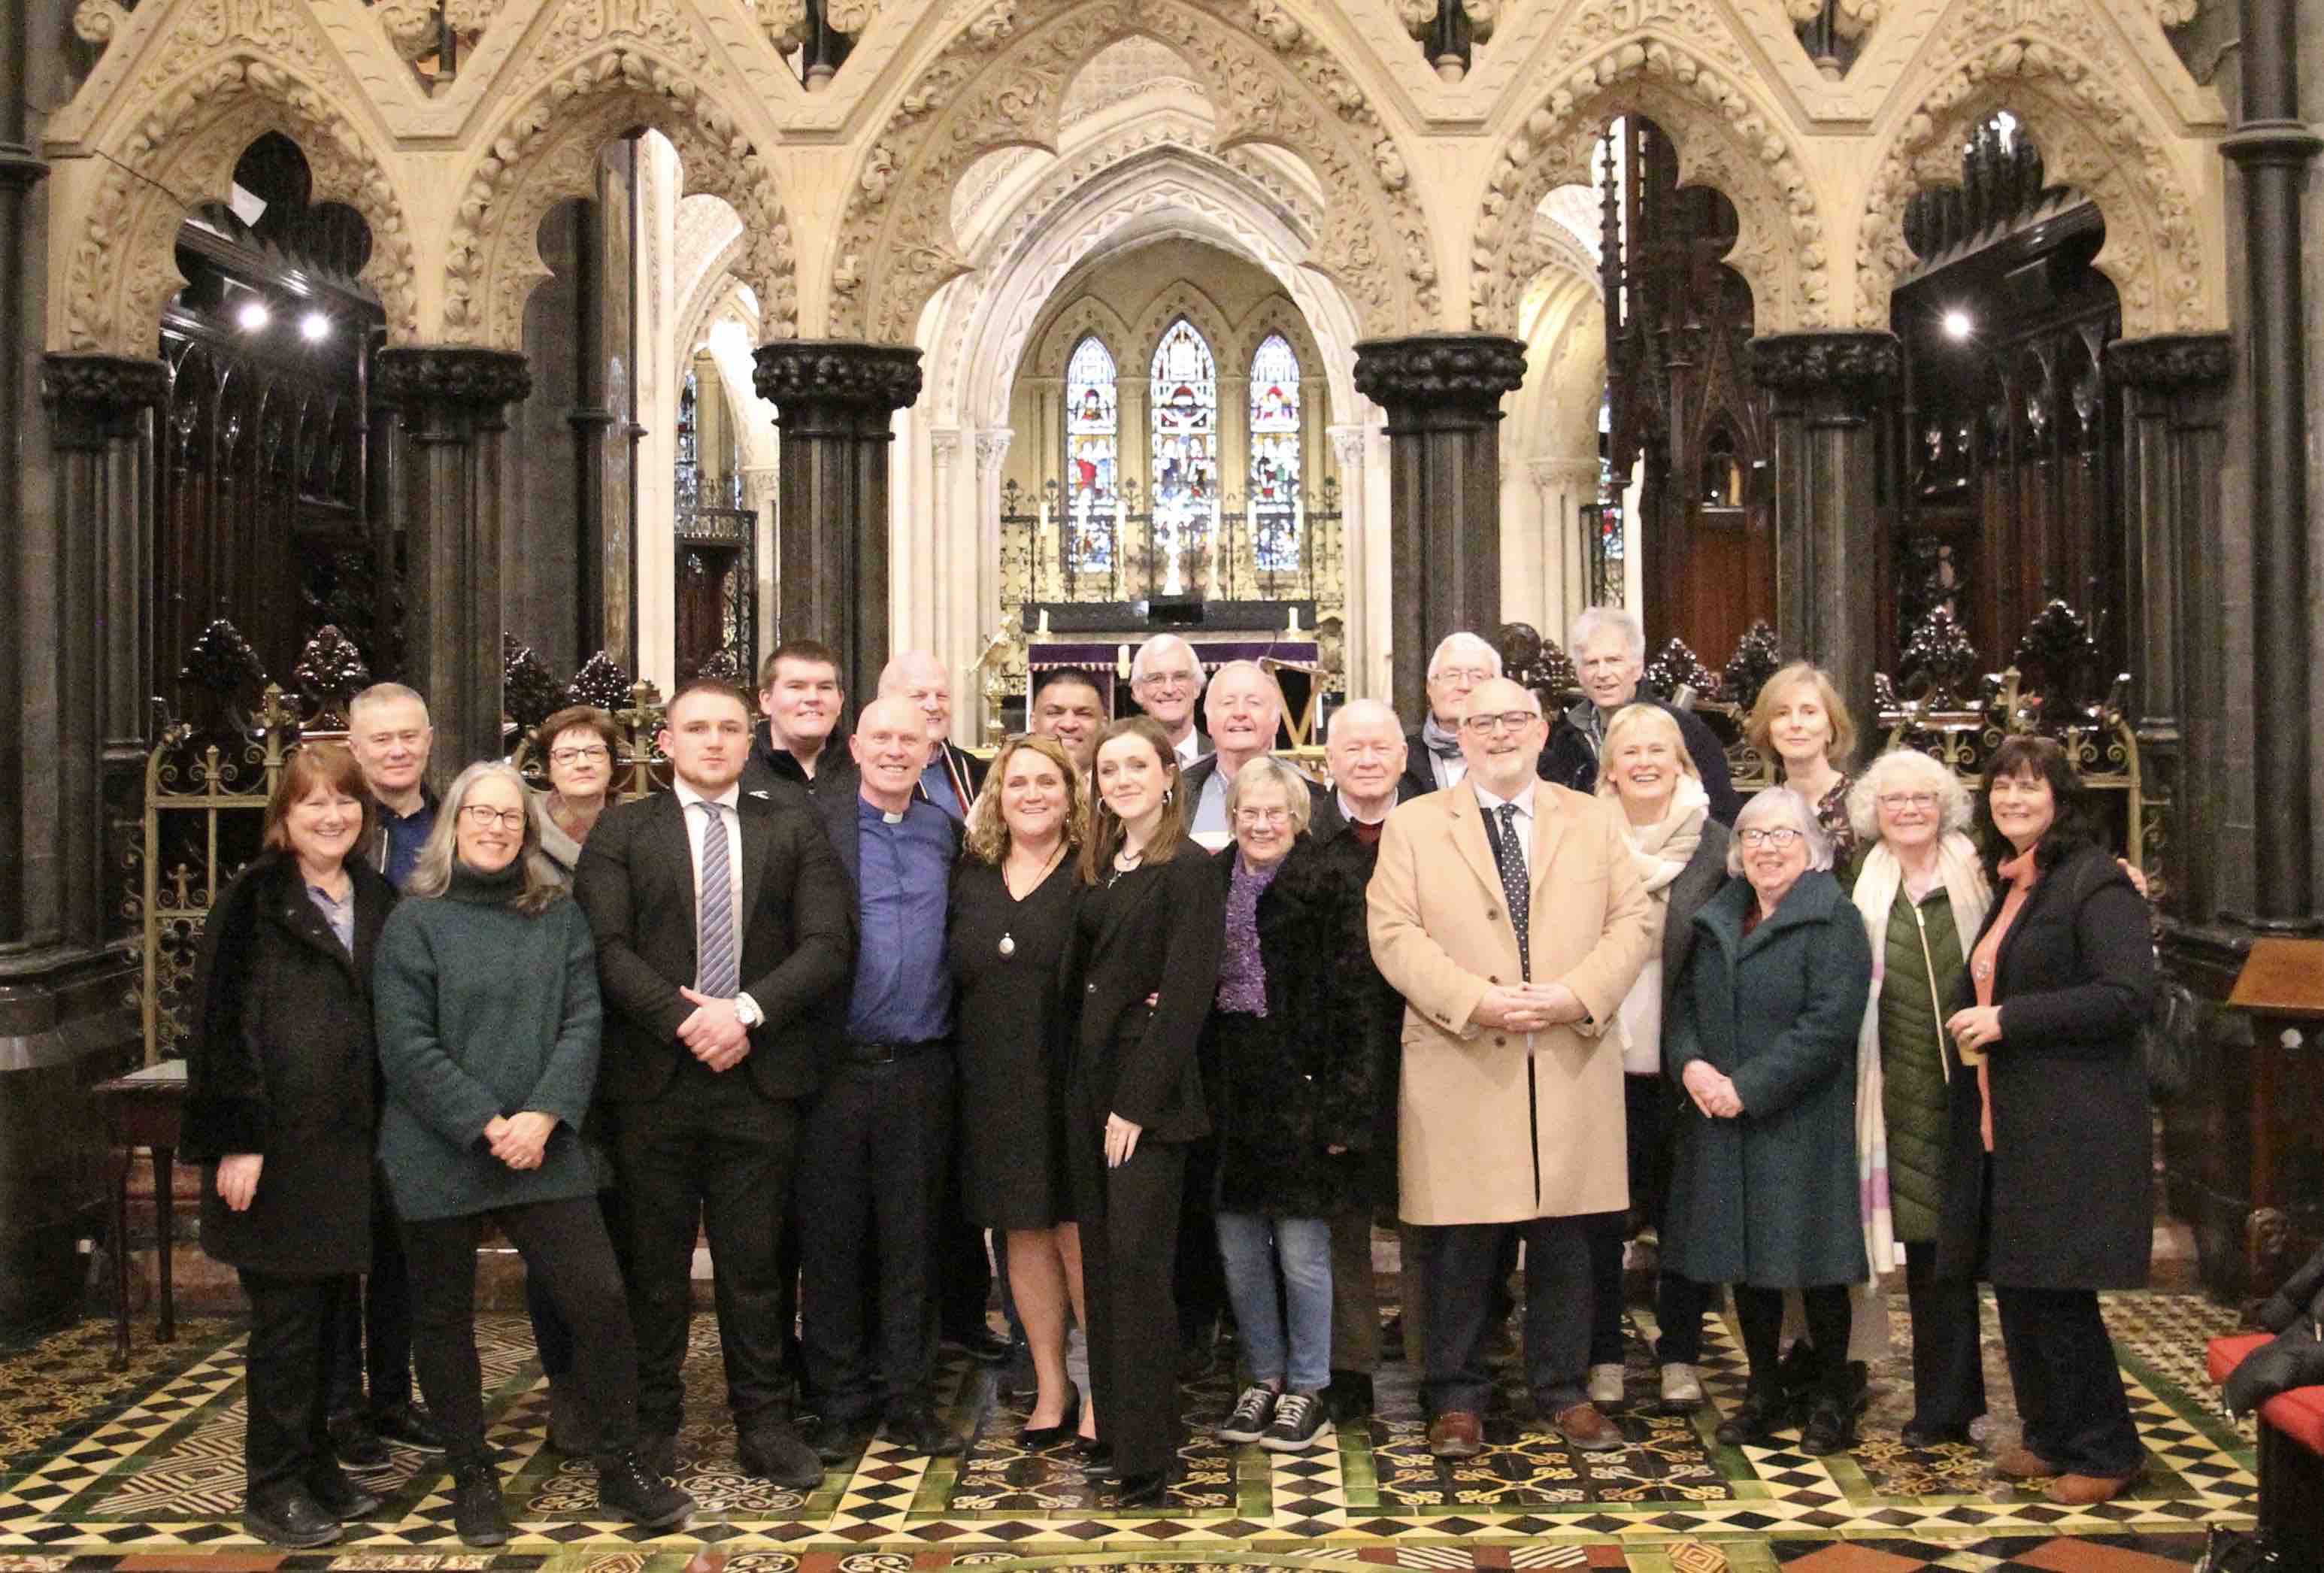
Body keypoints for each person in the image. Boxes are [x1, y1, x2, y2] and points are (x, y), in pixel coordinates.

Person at [374, 762, 692, 1546]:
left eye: (509, 816)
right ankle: (472, 1474)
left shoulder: (557, 916)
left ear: (528, 829)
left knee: (600, 1300)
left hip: (544, 1143)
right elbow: (406, 1045)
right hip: (442, 1147)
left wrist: (543, 1116)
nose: (494, 827)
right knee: (443, 1319)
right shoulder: (414, 922)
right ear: (453, 824)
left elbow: (584, 1022)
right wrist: (487, 1122)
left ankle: (618, 1464)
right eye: (479, 814)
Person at [574, 677, 853, 1488]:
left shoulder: (792, 826)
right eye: (696, 728)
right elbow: (604, 946)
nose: (714, 741)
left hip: (757, 1077)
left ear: (749, 737)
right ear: (665, 742)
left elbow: (828, 943)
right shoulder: (624, 832)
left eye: (729, 728)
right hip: (655, 1080)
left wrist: (746, 1013)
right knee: (652, 1263)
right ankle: (652, 1419)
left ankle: (763, 1421)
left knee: (755, 1263)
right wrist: (688, 1020)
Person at [1368, 677, 1655, 1460]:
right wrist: (1474, 1000)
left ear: (1540, 732)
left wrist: (1576, 993)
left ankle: (1562, 1389)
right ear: (1458, 735)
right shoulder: (1415, 825)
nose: (1497, 733)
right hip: (1461, 1053)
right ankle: (1455, 1397)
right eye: (1480, 721)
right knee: (1457, 1245)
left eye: (1513, 720)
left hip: (1566, 1053)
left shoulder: (1590, 819)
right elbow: (1392, 933)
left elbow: (1634, 918)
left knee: (1567, 1237)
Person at [180, 744, 398, 1547]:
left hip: (351, 1151)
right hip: (275, 1153)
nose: (332, 816)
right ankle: (272, 1485)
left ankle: (316, 1466)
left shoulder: (376, 897)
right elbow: (217, 1029)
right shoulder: (252, 901)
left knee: (333, 1317)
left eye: (344, 802)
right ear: (284, 817)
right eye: (314, 804)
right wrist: (236, 1140)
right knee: (286, 1328)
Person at [1937, 735, 2156, 1505]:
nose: (2013, 800)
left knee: (2059, 1292)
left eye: (2029, 787)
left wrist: (2009, 1019)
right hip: (2013, 1126)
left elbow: (2128, 994)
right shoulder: (2015, 883)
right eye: (2000, 788)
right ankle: (2049, 1434)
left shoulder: (2093, 881)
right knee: (2021, 1285)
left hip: (2074, 1126)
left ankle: (2106, 1447)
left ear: (2060, 798)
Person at [1662, 789, 1874, 1454]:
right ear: (1736, 852)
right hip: (1719, 1114)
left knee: (1813, 1262)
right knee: (1742, 1260)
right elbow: (1684, 1007)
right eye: (1753, 835)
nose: (1766, 847)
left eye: (1783, 835)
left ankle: (1834, 1391)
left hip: (1799, 1118)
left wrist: (1747, 1088)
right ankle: (1763, 1389)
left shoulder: (1833, 919)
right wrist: (1691, 1065)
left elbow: (1829, 1024)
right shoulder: (1717, 916)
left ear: (1812, 848)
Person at [1062, 716, 1226, 1508]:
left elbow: (1187, 998)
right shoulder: (1102, 864)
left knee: (1137, 1269)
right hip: (1089, 1087)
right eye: (1108, 768)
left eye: (1137, 765)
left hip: (1147, 1102)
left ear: (1170, 775)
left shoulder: (1189, 868)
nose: (1121, 779)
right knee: (1101, 1266)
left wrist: (1135, 1103)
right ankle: (1118, 1430)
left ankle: (1151, 1453)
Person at [798, 699, 968, 1460]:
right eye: (884, 738)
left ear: (932, 748)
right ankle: (836, 1400)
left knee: (914, 1240)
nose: (898, 749)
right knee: (832, 1241)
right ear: (857, 745)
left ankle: (908, 1397)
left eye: (912, 738)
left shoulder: (948, 832)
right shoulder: (816, 827)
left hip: (924, 1069)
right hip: (837, 1066)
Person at [1207, 757, 1377, 1454]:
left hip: (1303, 1093)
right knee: (1240, 1248)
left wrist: (1345, 1109)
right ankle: (1264, 1375)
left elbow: (1357, 1002)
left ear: (1298, 818)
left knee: (1304, 1253)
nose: (1262, 823)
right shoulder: (1211, 879)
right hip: (1228, 1092)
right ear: (1233, 816)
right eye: (1249, 811)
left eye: (1275, 812)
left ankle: (1308, 1384)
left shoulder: (1330, 882)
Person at [1844, 747, 1991, 1448]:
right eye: (1893, 799)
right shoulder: (1859, 881)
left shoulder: (1983, 875)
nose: (1907, 810)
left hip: (1972, 1087)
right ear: (1873, 812)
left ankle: (1964, 1402)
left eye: (1922, 798)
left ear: (1945, 807)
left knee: (1961, 1253)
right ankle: (1938, 1404)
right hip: (1891, 1092)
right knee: (1927, 1254)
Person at [1585, 704, 1730, 1411]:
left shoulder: (1716, 846)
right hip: (1598, 1057)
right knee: (1599, 1221)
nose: (1643, 762)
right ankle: (1603, 1355)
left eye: (1657, 750)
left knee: (1683, 1218)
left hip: (1685, 1059)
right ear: (1608, 767)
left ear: (1681, 763)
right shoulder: (1577, 838)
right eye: (1629, 751)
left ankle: (1679, 1353)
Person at [950, 735, 1092, 1447]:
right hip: (992, 1083)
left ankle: (1102, 1391)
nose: (1031, 794)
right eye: (1016, 783)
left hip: (1072, 1081)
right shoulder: (969, 873)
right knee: (1021, 1235)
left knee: (1078, 1237)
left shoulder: (1090, 873)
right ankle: (1050, 1385)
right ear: (996, 797)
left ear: (1071, 797)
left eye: (1046, 782)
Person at [877, 651, 1004, 1362]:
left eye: (938, 694)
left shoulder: (975, 773)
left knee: (960, 1173)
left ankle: (962, 1312)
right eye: (913, 694)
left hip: (968, 998)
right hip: (895, 1010)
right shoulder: (863, 778)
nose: (929, 706)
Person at [333, 683, 443, 1465]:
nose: (397, 750)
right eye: (381, 740)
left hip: (426, 1067)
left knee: (409, 1246)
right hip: (343, 1069)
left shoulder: (453, 824)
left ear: (429, 740)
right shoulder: (334, 823)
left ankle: (393, 1396)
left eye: (409, 736)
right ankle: (339, 1408)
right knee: (341, 1243)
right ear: (355, 745)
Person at [1300, 699, 1417, 1421]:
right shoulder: (1306, 838)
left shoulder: (1440, 828)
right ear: (1328, 761)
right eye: (1353, 748)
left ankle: (1442, 1370)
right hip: (1335, 1057)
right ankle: (1351, 1366)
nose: (1367, 760)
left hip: (1431, 1049)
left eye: (1380, 747)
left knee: (1430, 1221)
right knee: (1341, 1221)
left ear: (1403, 758)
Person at [524, 702, 626, 1455]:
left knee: (618, 1233)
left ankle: (615, 1384)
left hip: (625, 1048)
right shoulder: (519, 834)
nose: (583, 762)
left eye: (595, 750)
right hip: (548, 1048)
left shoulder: (635, 826)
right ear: (546, 763)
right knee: (554, 1235)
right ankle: (565, 1385)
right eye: (569, 752)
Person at [1538, 608, 1741, 825]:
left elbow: (1722, 816)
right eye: (1591, 663)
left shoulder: (1686, 730)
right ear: (1579, 674)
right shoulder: (1567, 738)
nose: (1603, 673)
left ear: (1637, 668)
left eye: (1614, 660)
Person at [1179, 659, 1326, 847]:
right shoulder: (1180, 791)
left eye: (1254, 703)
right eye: (1227, 702)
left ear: (1276, 722)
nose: (1239, 713)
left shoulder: (1308, 793)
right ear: (1208, 722)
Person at [1750, 661, 1859, 865]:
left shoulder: (1861, 804)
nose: (1795, 724)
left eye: (1809, 712)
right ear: (1769, 732)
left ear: (1831, 729)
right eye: (1782, 713)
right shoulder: (1762, 811)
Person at [880, 650, 988, 821]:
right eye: (919, 696)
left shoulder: (978, 773)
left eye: (942, 696)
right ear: (885, 703)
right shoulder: (871, 777)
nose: (934, 705)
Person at [745, 640, 856, 797]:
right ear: (766, 701)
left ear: (840, 701)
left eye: (825, 687)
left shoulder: (868, 774)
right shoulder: (734, 774)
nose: (812, 698)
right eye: (796, 687)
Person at [1400, 632, 1500, 798]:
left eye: (1477, 676)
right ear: (1430, 688)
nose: (1464, 685)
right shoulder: (1400, 758)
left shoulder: (1524, 758)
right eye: (1452, 675)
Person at [534, 704, 623, 873]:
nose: (582, 764)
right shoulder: (526, 829)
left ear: (611, 764)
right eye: (567, 755)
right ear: (549, 770)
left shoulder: (640, 827)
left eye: (595, 752)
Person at [1130, 634, 1210, 767]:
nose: (1169, 689)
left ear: (1197, 686)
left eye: (1180, 677)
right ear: (1137, 691)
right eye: (1156, 679)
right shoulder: (1122, 759)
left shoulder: (1221, 757)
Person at [1029, 665, 1107, 779]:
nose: (1069, 725)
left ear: (1103, 726)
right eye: (1054, 713)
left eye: (1084, 714)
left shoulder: (1121, 789)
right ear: (1034, 723)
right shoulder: (1014, 791)